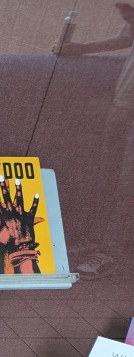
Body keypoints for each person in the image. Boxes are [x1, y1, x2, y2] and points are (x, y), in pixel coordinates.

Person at [59, 3, 134, 274]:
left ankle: (110, 252)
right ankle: (94, 240)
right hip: (122, 103)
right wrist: (83, 48)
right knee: (107, 177)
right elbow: (126, 38)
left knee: (128, 186)